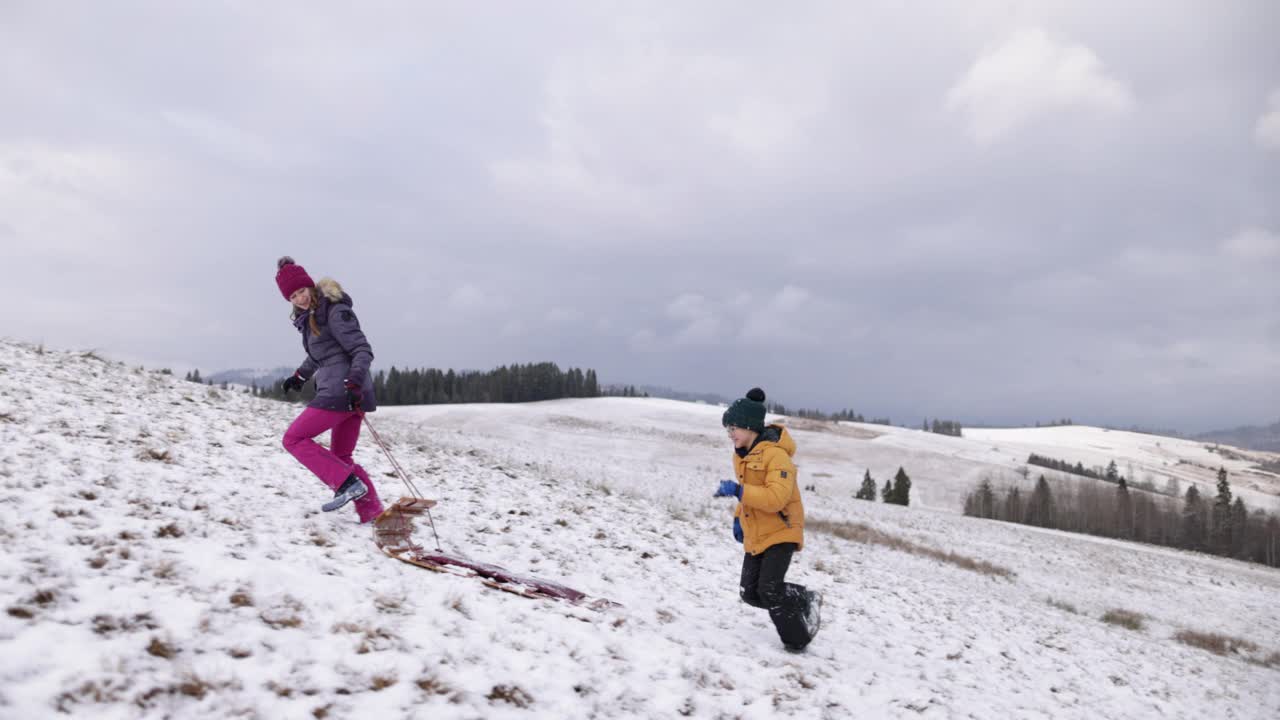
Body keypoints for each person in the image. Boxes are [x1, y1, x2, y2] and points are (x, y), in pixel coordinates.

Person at [274, 256, 383, 523]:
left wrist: (354, 380)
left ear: (310, 286)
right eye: (292, 297)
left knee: (293, 439)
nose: (299, 299)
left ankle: (346, 483)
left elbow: (361, 349)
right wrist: (300, 376)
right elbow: (321, 355)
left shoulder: (334, 311)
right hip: (349, 391)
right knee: (341, 455)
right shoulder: (311, 317)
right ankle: (373, 513)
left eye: (301, 291)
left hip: (343, 390)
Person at [715, 388, 821, 652]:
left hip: (782, 530)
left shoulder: (777, 456)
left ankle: (797, 641)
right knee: (750, 593)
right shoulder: (741, 456)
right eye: (728, 430)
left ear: (750, 427)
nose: (731, 435)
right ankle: (801, 598)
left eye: (734, 429)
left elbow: (776, 498)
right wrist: (739, 518)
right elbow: (749, 493)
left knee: (770, 589)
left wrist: (739, 492)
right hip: (758, 532)